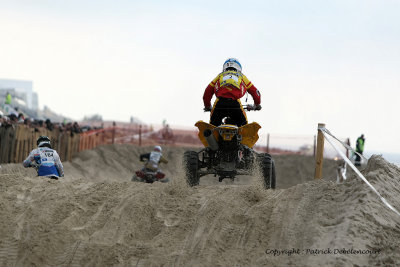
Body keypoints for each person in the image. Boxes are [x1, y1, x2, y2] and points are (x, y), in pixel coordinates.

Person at [203, 58, 261, 127]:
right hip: (235, 104)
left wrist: (208, 106)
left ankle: (210, 135)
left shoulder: (220, 76)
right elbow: (255, 92)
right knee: (244, 127)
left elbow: (207, 92)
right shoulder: (242, 76)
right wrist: (256, 105)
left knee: (212, 126)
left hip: (220, 104)